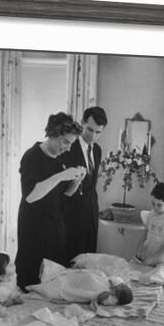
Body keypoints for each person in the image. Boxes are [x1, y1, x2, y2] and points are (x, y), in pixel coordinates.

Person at [15, 112, 86, 292]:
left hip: (55, 227)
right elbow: (30, 195)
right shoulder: (31, 157)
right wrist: (62, 175)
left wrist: (76, 182)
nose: (68, 149)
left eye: (71, 144)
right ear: (53, 134)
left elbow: (65, 195)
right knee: (31, 280)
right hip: (34, 227)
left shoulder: (60, 158)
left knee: (52, 280)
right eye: (66, 142)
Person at [61, 107, 107, 261]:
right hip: (71, 216)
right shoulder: (68, 147)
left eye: (98, 132)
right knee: (71, 263)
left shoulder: (98, 150)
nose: (93, 136)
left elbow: (91, 185)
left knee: (88, 262)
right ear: (82, 123)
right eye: (90, 130)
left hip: (91, 215)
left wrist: (96, 212)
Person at [28, 260, 133, 306]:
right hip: (86, 278)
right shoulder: (118, 282)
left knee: (58, 288)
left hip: (86, 289)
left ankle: (40, 283)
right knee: (62, 274)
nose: (119, 288)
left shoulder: (113, 299)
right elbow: (112, 279)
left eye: (120, 291)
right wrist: (112, 286)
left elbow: (102, 299)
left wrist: (108, 294)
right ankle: (44, 276)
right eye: (121, 287)